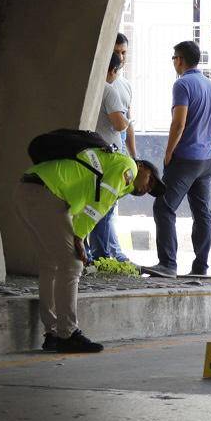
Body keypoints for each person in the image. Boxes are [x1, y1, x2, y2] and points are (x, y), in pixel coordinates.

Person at [15, 145, 165, 353]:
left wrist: (79, 233)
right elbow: (101, 202)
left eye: (152, 190)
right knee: (72, 263)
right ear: (141, 167)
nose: (149, 188)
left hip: (30, 189)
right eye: (151, 180)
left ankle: (53, 334)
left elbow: (86, 205)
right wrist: (79, 237)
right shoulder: (127, 165)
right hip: (47, 192)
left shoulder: (108, 167)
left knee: (51, 264)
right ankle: (67, 333)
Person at [144, 41, 211, 279]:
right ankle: (201, 266)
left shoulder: (182, 85)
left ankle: (167, 263)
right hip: (207, 159)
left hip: (185, 158)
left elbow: (178, 122)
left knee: (163, 206)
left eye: (174, 59)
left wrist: (168, 152)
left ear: (180, 59)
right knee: (202, 213)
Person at [87, 52, 131, 264]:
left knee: (90, 203)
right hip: (107, 155)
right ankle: (101, 255)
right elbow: (119, 124)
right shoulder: (109, 90)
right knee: (104, 205)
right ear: (113, 70)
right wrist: (127, 120)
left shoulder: (88, 87)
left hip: (88, 153)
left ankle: (90, 253)